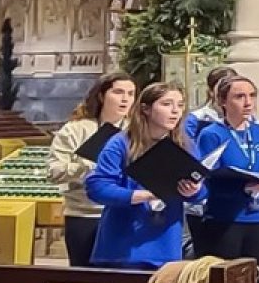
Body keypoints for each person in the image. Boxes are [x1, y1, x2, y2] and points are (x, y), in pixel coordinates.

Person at [85, 83, 205, 268]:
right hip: (124, 247)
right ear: (145, 108)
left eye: (180, 105)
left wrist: (194, 191)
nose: (175, 111)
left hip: (166, 246)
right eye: (166, 104)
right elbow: (97, 187)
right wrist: (143, 195)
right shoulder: (121, 143)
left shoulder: (184, 145)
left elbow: (202, 190)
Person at [47, 73, 136, 266]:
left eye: (130, 94)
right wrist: (86, 165)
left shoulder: (135, 131)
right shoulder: (75, 130)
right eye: (118, 92)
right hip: (84, 214)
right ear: (102, 96)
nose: (125, 99)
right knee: (85, 279)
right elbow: (54, 172)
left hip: (124, 213)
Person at [193, 74, 259, 261]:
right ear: (223, 101)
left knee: (254, 275)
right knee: (226, 278)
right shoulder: (212, 134)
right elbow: (209, 176)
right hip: (227, 216)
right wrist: (243, 188)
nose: (248, 103)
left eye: (252, 96)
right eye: (240, 97)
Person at [184, 64, 235, 141]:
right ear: (211, 91)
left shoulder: (246, 118)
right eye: (222, 88)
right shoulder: (196, 119)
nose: (228, 93)